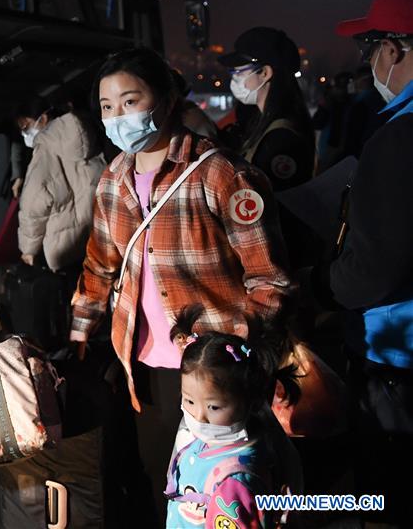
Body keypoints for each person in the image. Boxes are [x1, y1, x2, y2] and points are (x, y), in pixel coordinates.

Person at [69, 47, 295, 526]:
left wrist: (232, 345)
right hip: (146, 369)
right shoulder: (114, 179)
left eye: (130, 101)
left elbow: (270, 279)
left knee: (229, 500)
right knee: (168, 491)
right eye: (107, 107)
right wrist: (81, 327)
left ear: (167, 100)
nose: (117, 117)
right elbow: (99, 264)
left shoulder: (221, 174)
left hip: (217, 376)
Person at [312, 0, 413, 524]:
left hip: (399, 362)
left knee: (386, 501)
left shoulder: (400, 138)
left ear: (392, 49)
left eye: (370, 48)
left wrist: (318, 283)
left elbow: (375, 269)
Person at [166, 308, 302, 529]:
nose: (199, 417)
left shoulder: (234, 485)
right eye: (189, 401)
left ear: (251, 401)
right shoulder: (205, 442)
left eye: (214, 407)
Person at [16, 96, 106, 277]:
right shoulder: (91, 129)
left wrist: (28, 249)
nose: (25, 133)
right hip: (104, 235)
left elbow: (34, 201)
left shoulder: (46, 147)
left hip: (68, 246)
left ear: (43, 118)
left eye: (26, 126)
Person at [218, 27, 314, 192]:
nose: (234, 79)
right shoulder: (260, 121)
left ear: (265, 72)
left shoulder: (282, 136)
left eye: (239, 72)